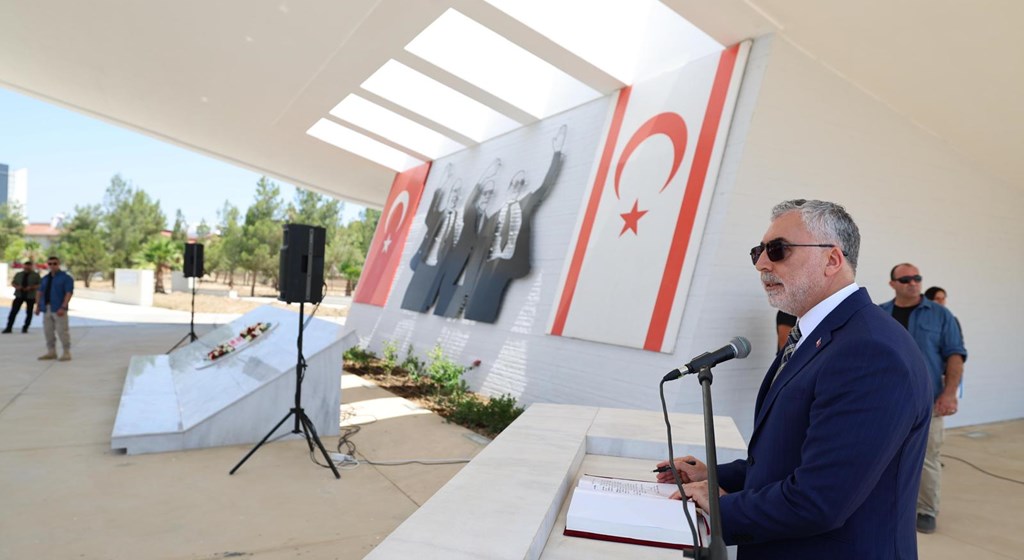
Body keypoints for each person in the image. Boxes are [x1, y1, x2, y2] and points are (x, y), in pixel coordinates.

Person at [656, 199, 932, 558]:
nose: (761, 263)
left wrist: (721, 507)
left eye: (777, 250)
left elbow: (820, 499)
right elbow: (793, 456)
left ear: (832, 260)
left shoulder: (871, 352)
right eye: (758, 252)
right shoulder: (818, 334)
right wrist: (714, 478)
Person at [880, 266, 967, 534]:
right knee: (883, 456)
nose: (913, 283)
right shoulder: (880, 314)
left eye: (917, 278)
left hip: (928, 400)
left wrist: (949, 393)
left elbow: (955, 354)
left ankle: (926, 510)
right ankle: (887, 505)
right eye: (905, 279)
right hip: (887, 401)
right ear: (893, 284)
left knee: (928, 457)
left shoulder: (941, 315)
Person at [35, 256, 75, 361]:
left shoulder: (66, 278)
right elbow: (40, 292)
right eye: (50, 264)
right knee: (48, 331)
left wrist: (63, 306)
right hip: (46, 308)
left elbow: (68, 293)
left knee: (62, 331)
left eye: (54, 263)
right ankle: (51, 352)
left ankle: (66, 352)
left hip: (58, 308)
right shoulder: (45, 278)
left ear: (58, 264)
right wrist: (38, 306)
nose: (52, 266)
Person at [4, 261, 41, 334]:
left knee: (29, 313)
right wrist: (17, 287)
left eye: (29, 266)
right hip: (19, 295)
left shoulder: (36, 275)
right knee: (13, 312)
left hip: (30, 296)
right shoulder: (19, 274)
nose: (27, 268)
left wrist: (31, 287)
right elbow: (13, 282)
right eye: (26, 266)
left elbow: (40, 284)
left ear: (31, 266)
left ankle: (25, 328)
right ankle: (9, 327)